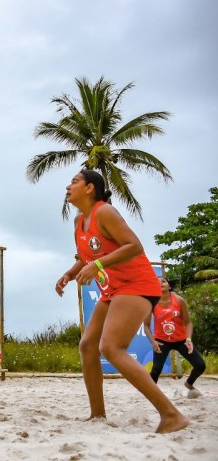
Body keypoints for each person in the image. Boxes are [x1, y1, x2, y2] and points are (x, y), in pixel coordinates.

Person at [55, 169, 188, 433]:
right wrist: (69, 274)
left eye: (74, 182)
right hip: (113, 290)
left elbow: (134, 246)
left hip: (137, 284)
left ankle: (172, 415)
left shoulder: (105, 212)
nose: (68, 186)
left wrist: (97, 266)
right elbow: (87, 256)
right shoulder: (79, 221)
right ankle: (97, 415)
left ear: (90, 188)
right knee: (88, 346)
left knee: (112, 348)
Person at [144, 276, 206, 398]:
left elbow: (188, 323)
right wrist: (153, 342)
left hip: (181, 340)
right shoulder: (152, 303)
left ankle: (189, 384)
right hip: (161, 341)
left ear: (169, 286)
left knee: (200, 365)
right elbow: (146, 326)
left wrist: (188, 339)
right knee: (156, 370)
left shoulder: (179, 300)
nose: (160, 283)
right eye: (157, 282)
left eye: (163, 281)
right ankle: (149, 393)